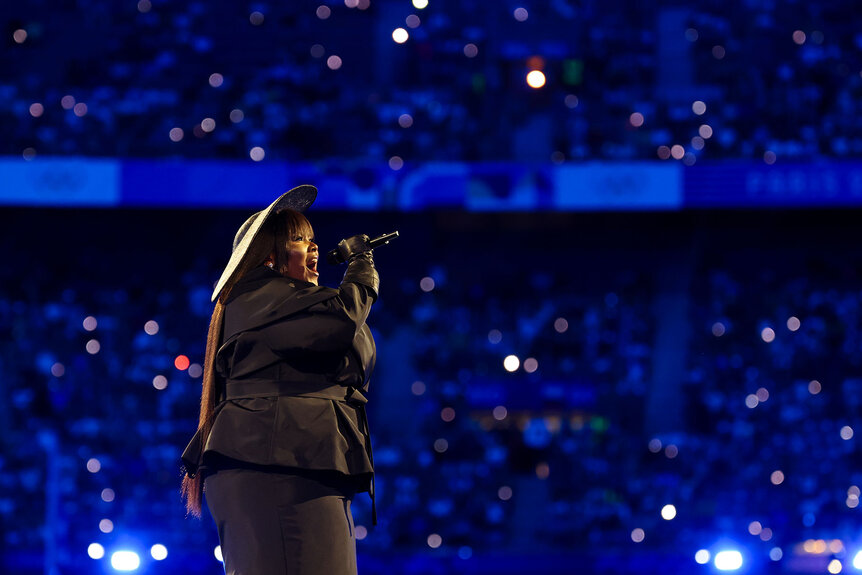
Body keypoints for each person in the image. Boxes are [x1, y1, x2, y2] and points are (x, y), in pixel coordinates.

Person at [181, 185, 379, 575]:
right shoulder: (258, 297)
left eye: (312, 239)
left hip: (298, 459)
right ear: (268, 255)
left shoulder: (288, 303)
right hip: (277, 464)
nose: (314, 248)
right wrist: (362, 272)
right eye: (299, 239)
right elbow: (341, 320)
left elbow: (348, 340)